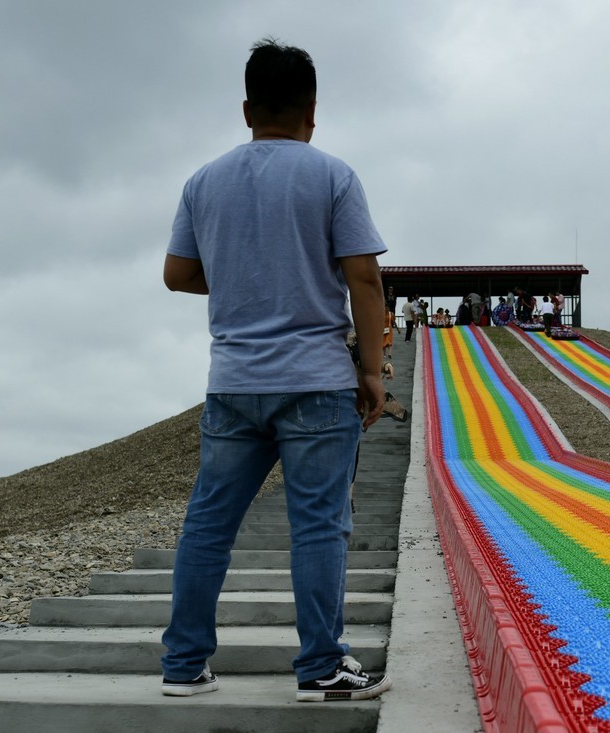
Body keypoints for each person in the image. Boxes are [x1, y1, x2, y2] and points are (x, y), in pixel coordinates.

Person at [160, 38, 391, 703]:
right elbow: (364, 277)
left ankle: (184, 665)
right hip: (316, 378)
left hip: (233, 382)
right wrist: (371, 371)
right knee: (319, 524)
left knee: (208, 523)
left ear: (246, 109)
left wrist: (241, 279)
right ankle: (321, 666)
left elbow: (178, 274)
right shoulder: (332, 176)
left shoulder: (204, 181)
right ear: (312, 112)